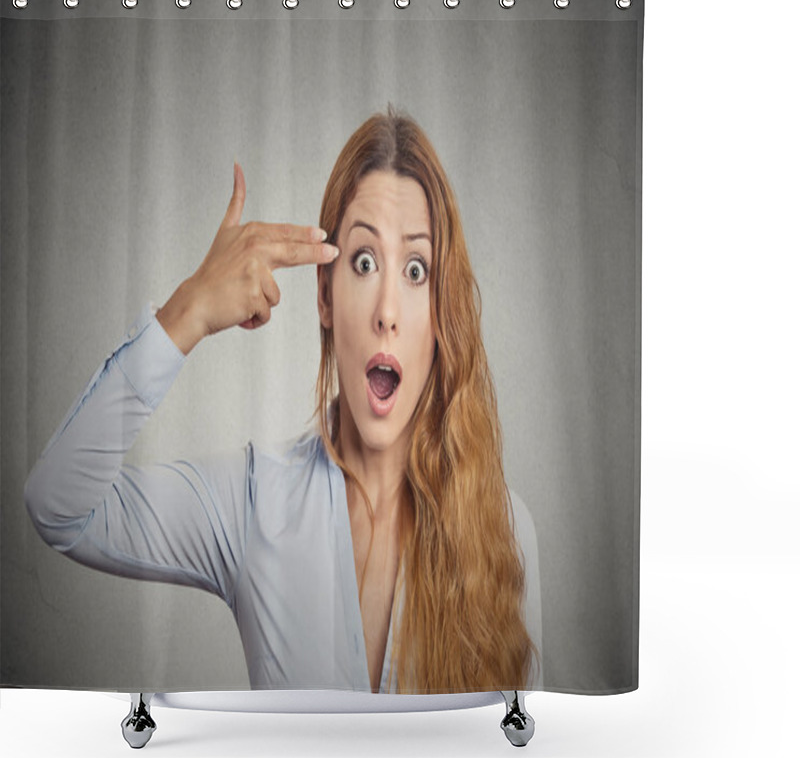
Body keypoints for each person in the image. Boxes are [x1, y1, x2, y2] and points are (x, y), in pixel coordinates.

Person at [25, 109, 541, 694]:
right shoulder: (253, 504)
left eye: (417, 270)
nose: (388, 312)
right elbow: (58, 505)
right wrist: (187, 311)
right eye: (365, 263)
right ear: (324, 295)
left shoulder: (506, 532)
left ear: (441, 312)